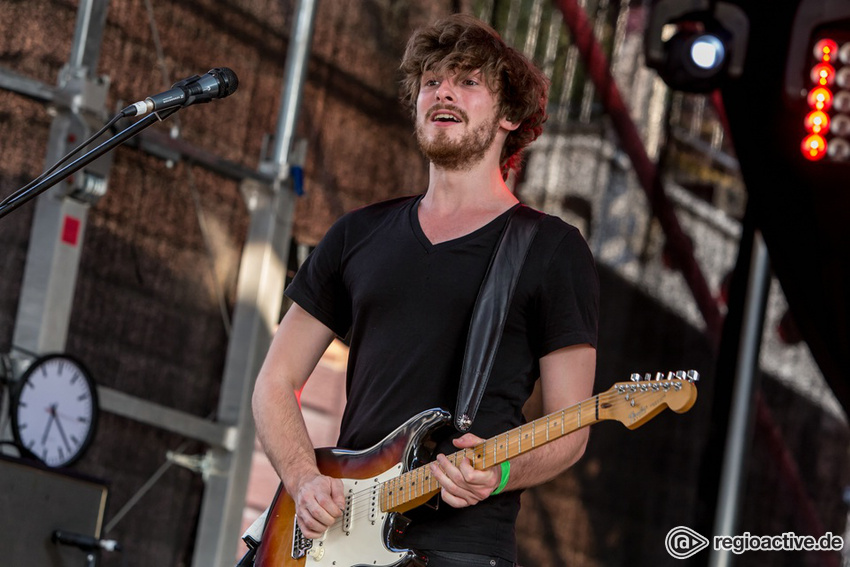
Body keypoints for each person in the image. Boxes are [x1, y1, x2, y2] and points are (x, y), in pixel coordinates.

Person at [252, 13, 599, 567]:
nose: (443, 92)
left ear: (510, 114)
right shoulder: (357, 234)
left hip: (460, 549)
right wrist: (302, 477)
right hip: (339, 538)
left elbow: (572, 427)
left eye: (468, 82)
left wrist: (501, 471)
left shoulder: (550, 250)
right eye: (432, 81)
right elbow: (275, 381)